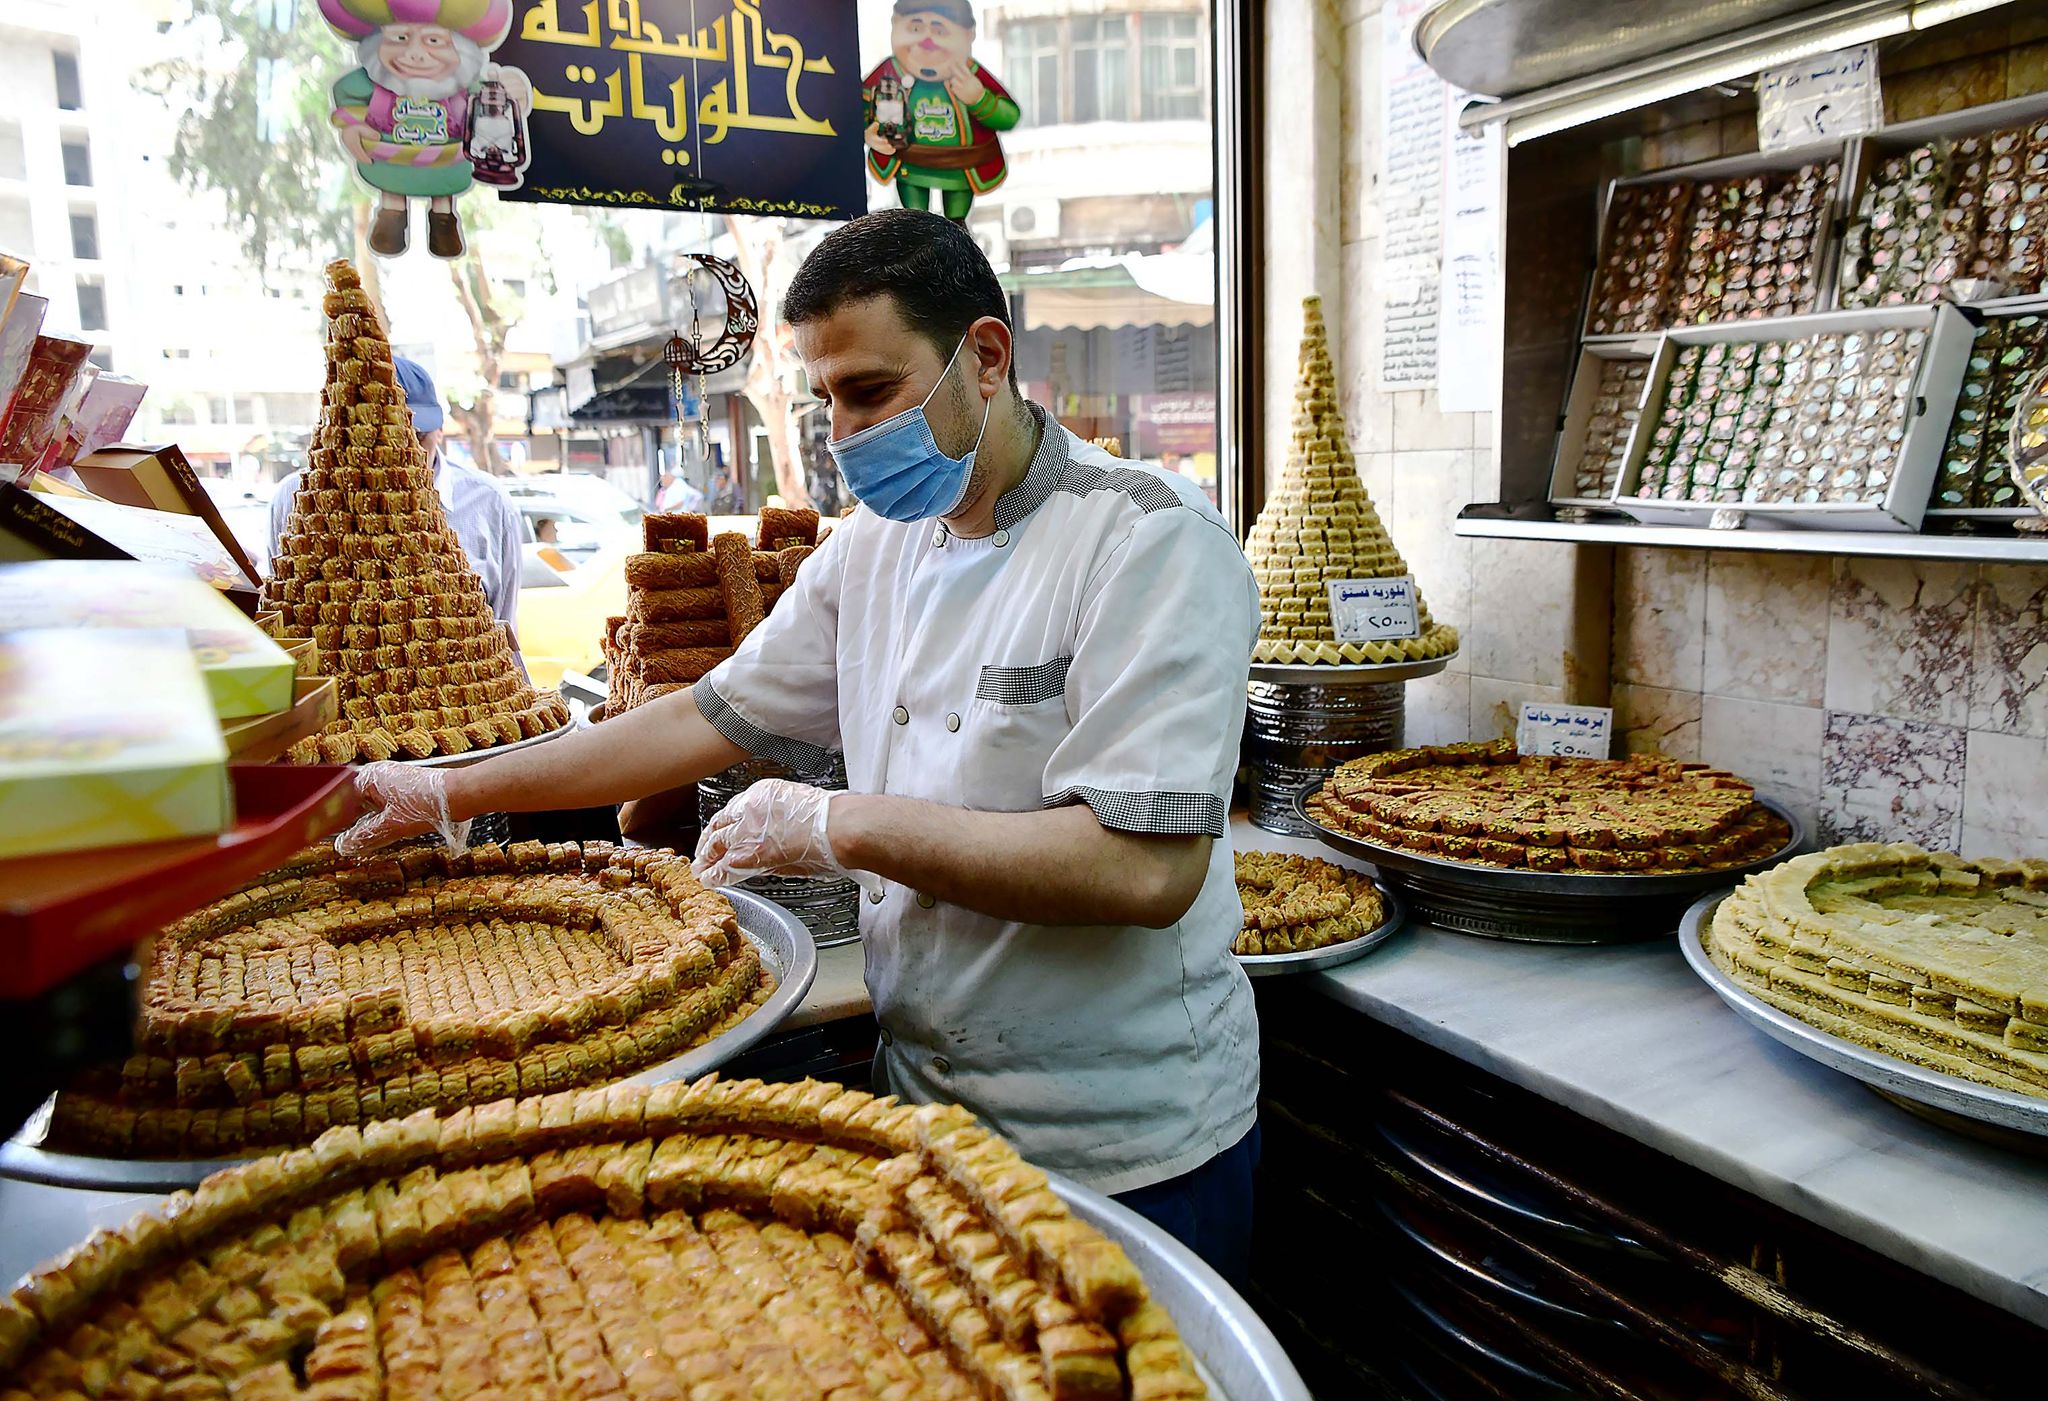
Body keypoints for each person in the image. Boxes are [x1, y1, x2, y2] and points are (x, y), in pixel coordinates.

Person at [335, 210, 1262, 1281]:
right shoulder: (874, 549)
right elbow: (696, 719)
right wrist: (450, 790)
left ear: (987, 356)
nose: (843, 434)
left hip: (1126, 1143)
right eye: (824, 398)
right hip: (925, 1112)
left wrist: (835, 824)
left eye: (870, 391)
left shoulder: (1146, 542)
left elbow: (1138, 868)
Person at [270, 355, 525, 662]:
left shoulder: (490, 503)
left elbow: (504, 632)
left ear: (439, 430)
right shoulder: (295, 499)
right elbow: (282, 623)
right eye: (383, 441)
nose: (404, 455)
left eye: (417, 437)